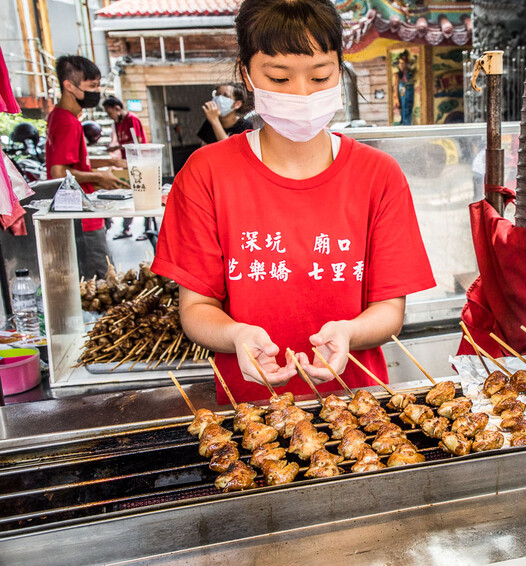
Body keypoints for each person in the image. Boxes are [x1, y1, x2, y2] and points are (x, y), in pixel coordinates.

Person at [152, 0, 434, 405]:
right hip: (248, 408)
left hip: (359, 405)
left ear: (339, 68)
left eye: (320, 76)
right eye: (280, 78)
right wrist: (235, 335)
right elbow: (196, 307)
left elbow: (389, 308)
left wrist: (350, 333)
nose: (302, 94)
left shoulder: (379, 175)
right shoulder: (206, 173)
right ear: (247, 74)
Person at [46, 55, 128, 279]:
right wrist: (100, 178)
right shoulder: (67, 123)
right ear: (69, 85)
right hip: (82, 218)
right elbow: (59, 172)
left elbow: (76, 161)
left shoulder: (61, 116)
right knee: (100, 281)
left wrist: (110, 162)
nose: (97, 91)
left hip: (79, 214)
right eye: (91, 86)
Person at [103, 96, 152, 240]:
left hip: (141, 163)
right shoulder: (117, 123)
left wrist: (116, 147)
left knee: (145, 196)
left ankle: (148, 230)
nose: (109, 116)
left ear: (117, 108)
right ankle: (126, 229)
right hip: (128, 164)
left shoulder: (132, 119)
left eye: (109, 112)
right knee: (127, 194)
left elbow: (139, 141)